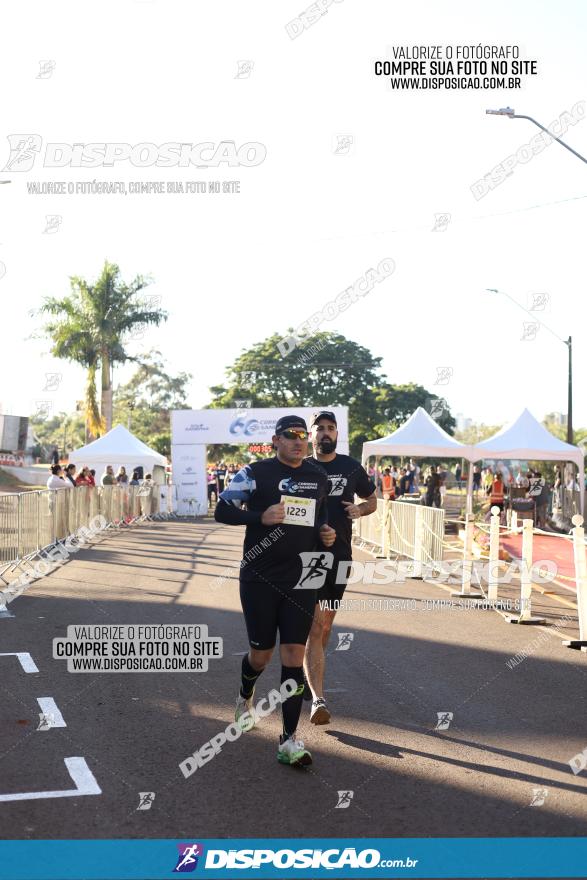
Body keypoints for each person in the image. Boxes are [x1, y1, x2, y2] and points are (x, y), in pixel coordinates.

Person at [214, 415, 335, 767]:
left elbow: (320, 517)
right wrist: (259, 517)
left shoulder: (317, 476)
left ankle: (288, 740)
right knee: (261, 655)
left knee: (293, 655)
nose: (299, 441)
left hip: (301, 579)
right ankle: (244, 694)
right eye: (291, 435)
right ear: (276, 440)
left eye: (302, 435)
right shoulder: (254, 473)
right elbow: (222, 510)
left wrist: (325, 533)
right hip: (259, 578)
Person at [304, 411, 376, 725]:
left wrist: (359, 509)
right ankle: (318, 699)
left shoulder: (351, 467)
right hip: (310, 555)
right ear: (311, 434)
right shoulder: (301, 467)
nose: (325, 433)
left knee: (327, 625)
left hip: (342, 556)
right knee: (316, 624)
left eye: (330, 428)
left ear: (337, 433)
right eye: (319, 428)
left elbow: (372, 500)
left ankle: (308, 672)